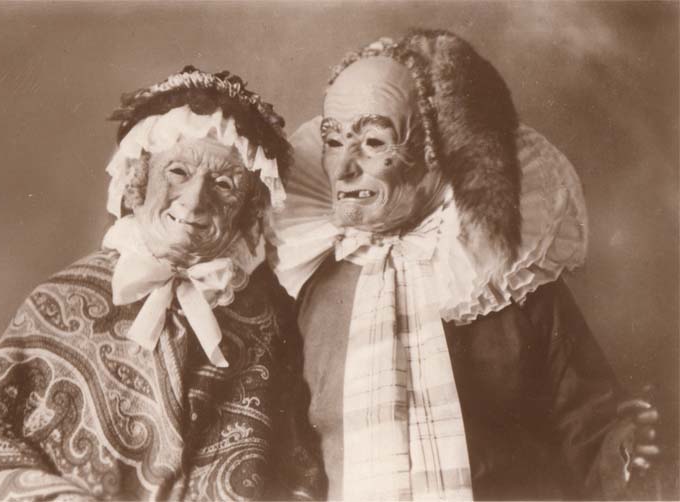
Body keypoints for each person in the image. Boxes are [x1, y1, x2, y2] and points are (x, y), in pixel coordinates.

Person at [268, 30, 660, 500]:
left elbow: (590, 428)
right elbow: (289, 451)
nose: (344, 168)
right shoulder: (313, 288)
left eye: (373, 141)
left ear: (439, 152)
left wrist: (627, 449)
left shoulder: (502, 279)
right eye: (333, 141)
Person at [0, 66, 325, 501]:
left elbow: (300, 473)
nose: (195, 201)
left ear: (247, 209)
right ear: (138, 183)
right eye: (178, 172)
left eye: (224, 184)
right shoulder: (61, 300)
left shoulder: (270, 319)